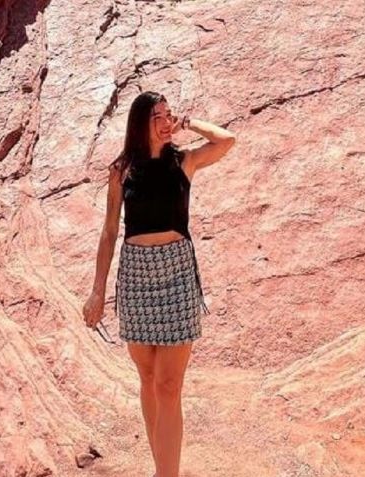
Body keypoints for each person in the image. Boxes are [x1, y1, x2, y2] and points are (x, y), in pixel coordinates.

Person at [82, 90, 235, 477]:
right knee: (149, 379)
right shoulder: (122, 170)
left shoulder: (184, 161)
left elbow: (227, 140)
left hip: (177, 275)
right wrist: (98, 291)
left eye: (169, 115)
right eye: (159, 117)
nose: (167, 122)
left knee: (168, 385)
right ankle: (161, 468)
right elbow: (109, 231)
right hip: (136, 277)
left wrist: (187, 124)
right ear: (140, 123)